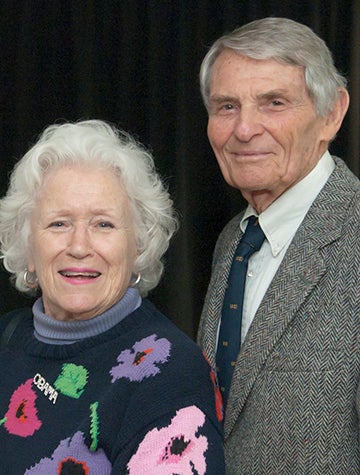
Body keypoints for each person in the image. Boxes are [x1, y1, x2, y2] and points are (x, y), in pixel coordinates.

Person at [0, 120, 225, 474]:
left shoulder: (170, 376)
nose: (79, 246)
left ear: (138, 246)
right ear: (27, 245)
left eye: (103, 224)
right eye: (59, 223)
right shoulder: (7, 337)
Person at [197, 17, 359, 474]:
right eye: (227, 106)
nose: (245, 129)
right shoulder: (235, 238)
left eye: (273, 103)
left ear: (332, 114)